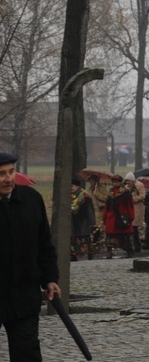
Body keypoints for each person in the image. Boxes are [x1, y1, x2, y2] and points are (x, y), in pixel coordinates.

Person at [0, 153, 61, 361]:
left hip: (23, 295)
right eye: (1, 174)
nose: (8, 179)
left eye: (11, 172)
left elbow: (44, 243)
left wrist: (50, 278)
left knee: (27, 353)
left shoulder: (31, 199)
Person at [101, 175, 135, 259]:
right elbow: (107, 206)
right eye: (113, 182)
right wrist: (104, 217)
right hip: (111, 218)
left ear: (120, 182)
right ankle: (109, 252)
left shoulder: (126, 192)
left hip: (123, 217)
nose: (114, 183)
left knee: (124, 236)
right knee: (110, 236)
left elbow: (130, 205)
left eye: (116, 182)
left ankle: (129, 250)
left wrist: (131, 216)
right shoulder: (111, 192)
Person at [70, 178, 95, 261]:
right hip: (73, 222)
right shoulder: (69, 196)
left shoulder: (85, 196)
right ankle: (73, 255)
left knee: (84, 239)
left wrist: (91, 222)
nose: (71, 188)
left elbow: (89, 210)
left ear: (77, 186)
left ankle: (88, 255)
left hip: (83, 221)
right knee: (73, 239)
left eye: (72, 186)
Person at [123, 172, 145, 253]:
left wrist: (132, 199)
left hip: (137, 209)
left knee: (134, 228)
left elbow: (142, 196)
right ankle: (131, 246)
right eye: (126, 181)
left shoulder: (139, 185)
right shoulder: (125, 187)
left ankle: (137, 246)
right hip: (128, 210)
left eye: (129, 181)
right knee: (129, 229)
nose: (128, 183)